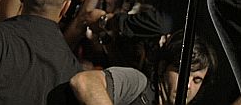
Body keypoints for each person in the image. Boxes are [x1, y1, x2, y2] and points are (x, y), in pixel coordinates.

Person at [69, 31, 216, 105]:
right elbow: (85, 82)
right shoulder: (137, 82)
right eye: (182, 74)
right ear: (163, 67)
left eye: (197, 80)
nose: (188, 86)